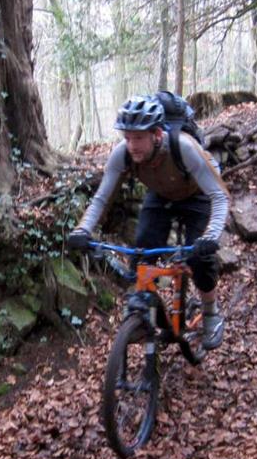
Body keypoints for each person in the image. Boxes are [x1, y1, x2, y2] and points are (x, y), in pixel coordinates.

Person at [68, 95, 229, 350]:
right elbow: (101, 199)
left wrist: (210, 235)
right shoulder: (122, 155)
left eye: (138, 138)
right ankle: (143, 311)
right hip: (161, 195)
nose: (132, 145)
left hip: (197, 195)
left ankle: (211, 313)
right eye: (127, 138)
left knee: (200, 260)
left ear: (157, 134)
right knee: (143, 249)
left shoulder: (183, 148)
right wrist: (83, 229)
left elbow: (219, 196)